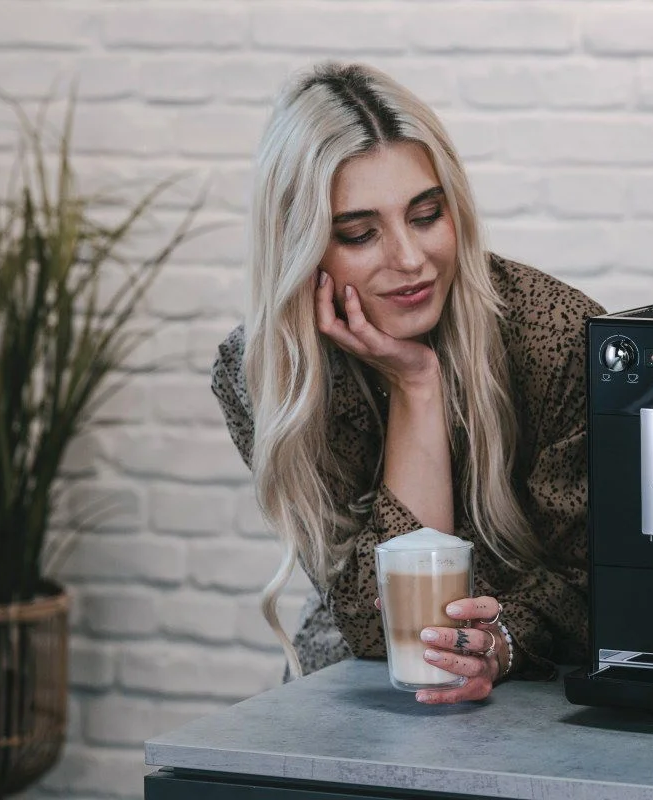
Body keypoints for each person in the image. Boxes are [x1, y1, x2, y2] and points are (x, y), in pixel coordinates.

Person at [211, 61, 604, 705]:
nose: (410, 259)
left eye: (425, 215)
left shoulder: (557, 332)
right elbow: (376, 626)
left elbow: (591, 583)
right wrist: (418, 384)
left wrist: (500, 641)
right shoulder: (262, 373)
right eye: (360, 233)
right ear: (301, 245)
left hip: (538, 689)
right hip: (355, 689)